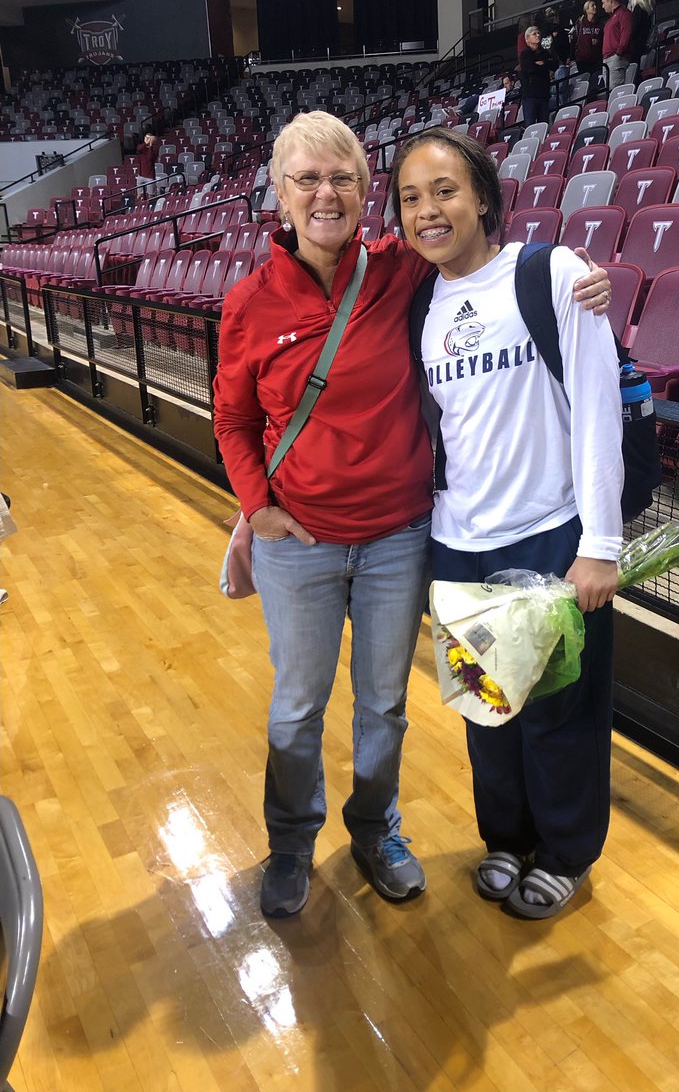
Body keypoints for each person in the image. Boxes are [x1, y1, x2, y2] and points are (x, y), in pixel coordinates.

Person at [212, 112, 614, 919]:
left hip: (409, 539)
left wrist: (590, 274)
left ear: (366, 196)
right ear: (279, 195)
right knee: (315, 705)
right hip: (341, 540)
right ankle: (296, 843)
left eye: (346, 180)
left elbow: (486, 258)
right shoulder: (257, 301)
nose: (327, 194)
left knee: (400, 704)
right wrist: (258, 509)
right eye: (307, 179)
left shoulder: (403, 271)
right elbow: (231, 419)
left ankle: (386, 831)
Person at [391, 126, 623, 921]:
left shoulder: (550, 273)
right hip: (457, 542)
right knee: (487, 712)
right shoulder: (416, 300)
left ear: (483, 196)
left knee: (561, 711)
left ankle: (564, 853)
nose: (429, 211)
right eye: (411, 198)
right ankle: (507, 839)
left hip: (551, 534)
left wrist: (600, 543)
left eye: (445, 190)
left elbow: (597, 410)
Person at [518, 25, 553, 126]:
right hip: (530, 96)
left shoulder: (545, 53)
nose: (538, 35)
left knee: (544, 125)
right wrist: (543, 65)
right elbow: (530, 69)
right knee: (530, 125)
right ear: (527, 38)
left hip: (543, 94)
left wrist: (542, 64)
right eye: (534, 34)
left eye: (538, 33)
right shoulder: (525, 54)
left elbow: (554, 64)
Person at [600, 0, 633, 91]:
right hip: (607, 59)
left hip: (616, 58)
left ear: (610, 1)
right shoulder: (611, 18)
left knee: (615, 91)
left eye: (603, 3)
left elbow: (626, 34)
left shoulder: (623, 14)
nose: (602, 6)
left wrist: (618, 53)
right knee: (609, 91)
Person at [570, 0, 605, 94]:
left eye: (595, 5)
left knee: (595, 82)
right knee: (586, 82)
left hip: (596, 59)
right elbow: (573, 41)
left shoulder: (600, 24)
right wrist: (571, 57)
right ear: (586, 9)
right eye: (592, 5)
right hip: (582, 60)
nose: (595, 7)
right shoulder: (580, 24)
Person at [627, 0, 655, 67]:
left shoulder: (638, 9)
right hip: (643, 43)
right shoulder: (647, 10)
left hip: (636, 46)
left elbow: (633, 29)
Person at [135, 133, 159, 198]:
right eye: (146, 137)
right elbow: (138, 149)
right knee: (139, 195)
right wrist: (146, 143)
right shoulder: (142, 147)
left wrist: (150, 146)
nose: (146, 139)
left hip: (150, 176)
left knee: (151, 195)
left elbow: (150, 158)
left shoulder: (154, 149)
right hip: (140, 175)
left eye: (148, 138)